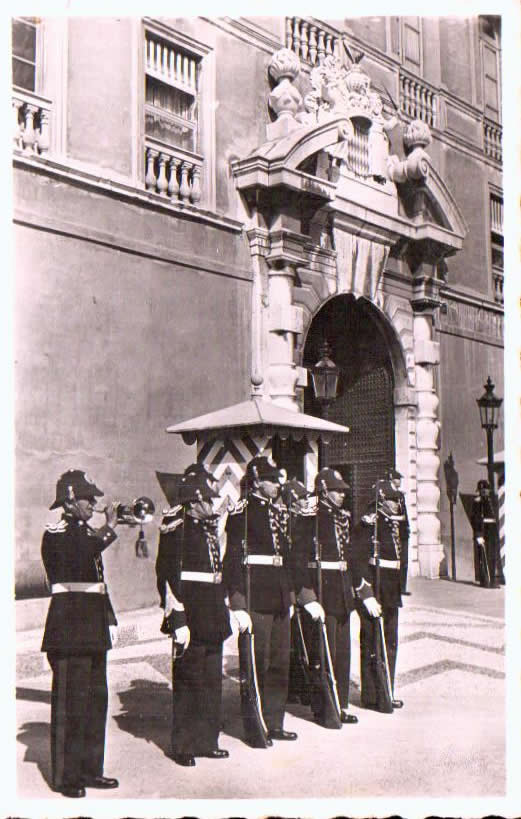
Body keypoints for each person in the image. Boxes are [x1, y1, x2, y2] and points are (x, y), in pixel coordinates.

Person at [41, 469, 121, 798]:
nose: (94, 503)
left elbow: (97, 583)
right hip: (69, 626)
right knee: (70, 705)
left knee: (94, 702)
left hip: (91, 624)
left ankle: (90, 770)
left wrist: (110, 620)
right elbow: (79, 556)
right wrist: (110, 527)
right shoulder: (58, 532)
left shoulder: (84, 531)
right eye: (89, 498)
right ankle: (66, 776)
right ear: (71, 499)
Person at [292, 467, 381, 726]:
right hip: (322, 593)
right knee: (323, 653)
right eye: (336, 491)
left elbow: (352, 559)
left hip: (341, 594)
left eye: (343, 491)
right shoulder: (310, 518)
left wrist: (364, 593)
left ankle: (339, 704)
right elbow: (297, 561)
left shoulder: (342, 518)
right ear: (323, 491)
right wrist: (307, 598)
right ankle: (323, 708)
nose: (342, 495)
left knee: (342, 654)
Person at [155, 468, 232, 767]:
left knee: (211, 680)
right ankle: (185, 743)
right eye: (207, 500)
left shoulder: (206, 527)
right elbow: (167, 575)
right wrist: (178, 619)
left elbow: (217, 572)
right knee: (189, 681)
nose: (212, 505)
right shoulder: (177, 527)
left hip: (212, 611)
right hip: (192, 612)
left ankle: (206, 739)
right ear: (194, 500)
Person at [224, 455, 297, 743]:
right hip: (257, 595)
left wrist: (289, 595)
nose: (277, 484)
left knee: (280, 662)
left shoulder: (280, 511)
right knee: (258, 663)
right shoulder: (241, 513)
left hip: (279, 594)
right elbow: (232, 559)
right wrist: (238, 602)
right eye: (270, 480)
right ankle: (255, 727)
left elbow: (287, 557)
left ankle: (275, 722)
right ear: (256, 482)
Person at [355, 478, 408, 712]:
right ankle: (371, 695)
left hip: (390, 589)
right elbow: (358, 560)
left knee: (390, 642)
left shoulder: (393, 523)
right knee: (372, 642)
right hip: (375, 589)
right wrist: (366, 593)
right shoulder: (370, 524)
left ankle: (387, 690)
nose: (398, 504)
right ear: (381, 501)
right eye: (394, 500)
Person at [471, 479, 503, 588]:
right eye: (481, 490)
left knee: (492, 555)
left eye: (485, 490)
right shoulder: (477, 502)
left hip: (492, 531)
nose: (483, 492)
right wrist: (478, 535)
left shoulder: (492, 500)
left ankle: (493, 580)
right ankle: (485, 581)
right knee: (483, 557)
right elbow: (475, 519)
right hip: (483, 530)